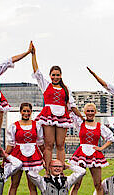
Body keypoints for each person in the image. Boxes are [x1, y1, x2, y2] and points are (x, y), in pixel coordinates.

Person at [30, 42, 84, 171]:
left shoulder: (66, 89)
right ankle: (48, 171)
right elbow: (36, 72)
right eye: (53, 75)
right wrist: (33, 54)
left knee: (60, 145)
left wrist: (82, 117)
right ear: (50, 76)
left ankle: (60, 171)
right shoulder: (45, 85)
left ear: (61, 76)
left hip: (62, 116)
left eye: (57, 75)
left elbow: (72, 106)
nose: (55, 77)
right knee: (49, 145)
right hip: (48, 115)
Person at [69, 103, 114, 195]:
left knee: (98, 184)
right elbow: (70, 111)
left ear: (95, 112)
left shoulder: (100, 126)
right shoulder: (80, 123)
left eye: (92, 111)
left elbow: (110, 138)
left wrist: (101, 148)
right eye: (88, 111)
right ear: (84, 112)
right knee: (76, 184)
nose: (90, 113)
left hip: (95, 154)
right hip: (81, 154)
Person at [5, 102, 44, 195]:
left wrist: (47, 157)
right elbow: (10, 145)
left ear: (31, 112)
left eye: (28, 111)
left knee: (32, 185)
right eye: (24, 111)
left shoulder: (36, 125)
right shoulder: (14, 126)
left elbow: (41, 144)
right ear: (20, 111)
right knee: (14, 184)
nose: (26, 113)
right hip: (18, 155)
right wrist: (4, 156)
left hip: (33, 156)